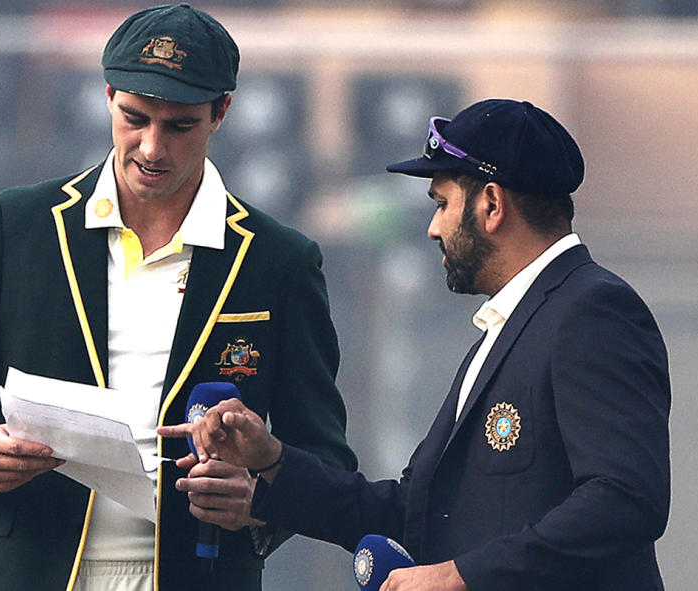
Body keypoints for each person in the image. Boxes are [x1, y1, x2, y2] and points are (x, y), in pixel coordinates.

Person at [0, 4, 356, 591]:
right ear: (108, 94)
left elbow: (322, 453)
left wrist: (261, 501)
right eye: (134, 117)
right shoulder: (15, 227)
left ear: (222, 111)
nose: (151, 147)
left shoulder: (282, 261)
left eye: (179, 126)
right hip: (23, 569)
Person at [161, 99, 672, 590]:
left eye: (443, 204)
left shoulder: (591, 311)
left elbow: (624, 501)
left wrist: (461, 576)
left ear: (491, 204)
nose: (432, 229)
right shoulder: (512, 326)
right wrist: (272, 458)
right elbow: (414, 514)